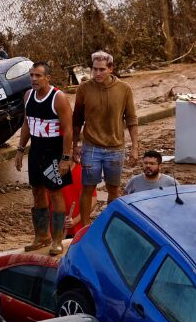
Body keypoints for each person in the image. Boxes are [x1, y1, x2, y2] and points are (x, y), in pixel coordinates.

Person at [72, 50, 139, 226]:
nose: (98, 73)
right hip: (91, 147)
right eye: (95, 69)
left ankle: (111, 225)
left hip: (115, 148)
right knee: (87, 188)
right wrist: (75, 145)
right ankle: (85, 228)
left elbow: (131, 119)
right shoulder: (84, 89)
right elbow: (77, 119)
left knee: (114, 189)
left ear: (111, 69)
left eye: (102, 69)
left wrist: (135, 147)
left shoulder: (124, 89)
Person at [15, 61, 74, 255]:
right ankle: (42, 236)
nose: (33, 79)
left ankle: (57, 240)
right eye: (31, 75)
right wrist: (20, 149)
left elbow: (68, 131)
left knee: (55, 193)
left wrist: (66, 158)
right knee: (37, 191)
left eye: (38, 75)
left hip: (54, 154)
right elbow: (27, 123)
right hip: (36, 152)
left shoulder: (58, 98)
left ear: (47, 77)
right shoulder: (28, 96)